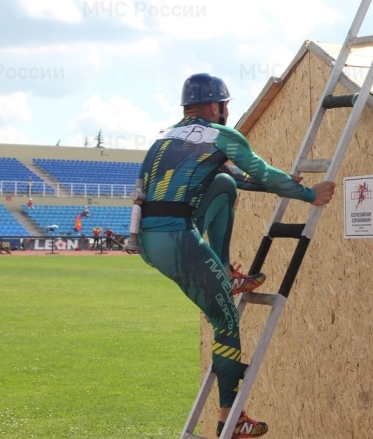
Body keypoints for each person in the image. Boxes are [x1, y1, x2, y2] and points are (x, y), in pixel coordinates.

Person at [132, 73, 335, 438]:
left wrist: (283, 183)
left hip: (148, 239)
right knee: (225, 321)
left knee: (223, 185)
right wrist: (308, 194)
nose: (227, 111)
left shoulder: (165, 138)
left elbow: (234, 178)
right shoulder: (222, 136)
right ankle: (231, 419)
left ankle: (224, 270)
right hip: (178, 238)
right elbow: (260, 174)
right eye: (225, 105)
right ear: (216, 106)